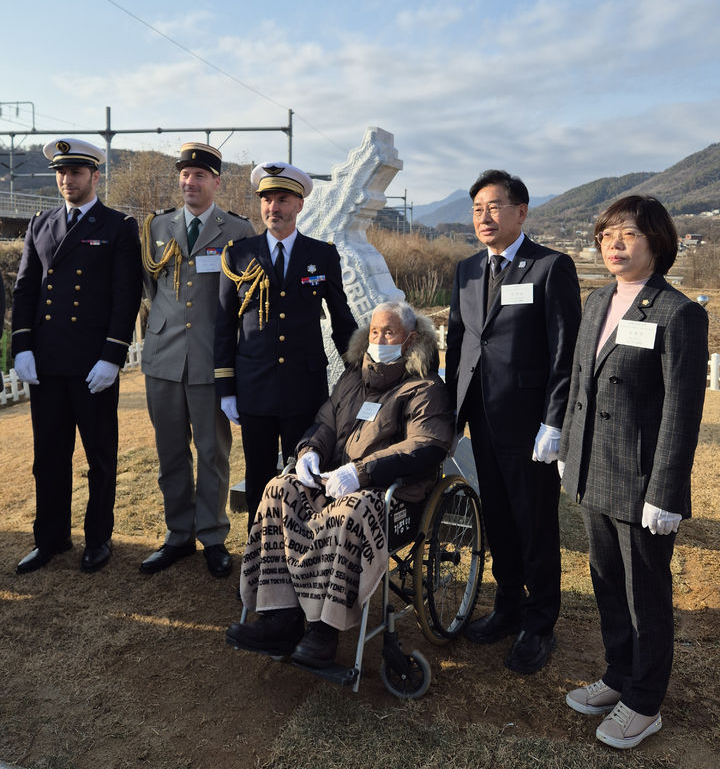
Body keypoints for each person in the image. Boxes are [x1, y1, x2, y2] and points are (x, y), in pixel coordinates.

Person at [226, 301, 454, 667]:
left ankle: (323, 629)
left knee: (349, 512)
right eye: (375, 332)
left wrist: (361, 472)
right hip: (334, 481)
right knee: (276, 491)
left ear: (410, 340)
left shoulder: (426, 388)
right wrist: (309, 452)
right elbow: (325, 423)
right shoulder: (352, 378)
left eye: (390, 332)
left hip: (390, 495)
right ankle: (280, 616)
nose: (380, 339)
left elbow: (425, 445)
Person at [560, 195, 707, 750]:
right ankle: (619, 675)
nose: (614, 245)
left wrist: (666, 491)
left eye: (627, 235)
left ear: (657, 242)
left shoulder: (678, 313)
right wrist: (566, 451)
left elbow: (682, 410)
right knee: (606, 584)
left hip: (642, 483)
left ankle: (645, 702)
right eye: (606, 235)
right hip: (592, 473)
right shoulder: (597, 301)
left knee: (646, 593)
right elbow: (580, 381)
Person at [445, 169, 581, 674]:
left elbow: (565, 352)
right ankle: (507, 605)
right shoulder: (467, 271)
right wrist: (449, 412)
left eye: (495, 206)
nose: (484, 216)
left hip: (530, 425)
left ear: (521, 212)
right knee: (497, 515)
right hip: (481, 417)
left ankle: (540, 619)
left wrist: (555, 421)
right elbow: (459, 346)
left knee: (535, 520)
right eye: (477, 208)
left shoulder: (549, 267)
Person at [11, 137, 143, 574]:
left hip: (92, 366)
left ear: (95, 175)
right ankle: (50, 538)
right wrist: (22, 345)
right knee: (48, 456)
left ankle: (98, 538)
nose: (67, 180)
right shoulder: (40, 223)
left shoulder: (118, 225)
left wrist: (112, 355)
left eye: (77, 172)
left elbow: (127, 295)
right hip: (47, 363)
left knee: (100, 457)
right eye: (61, 173)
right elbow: (26, 288)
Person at [214, 160, 357, 527]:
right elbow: (225, 325)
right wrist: (226, 387)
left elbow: (342, 321)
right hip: (254, 387)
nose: (272, 208)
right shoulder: (238, 254)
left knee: (304, 477)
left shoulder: (322, 255)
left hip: (303, 387)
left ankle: (301, 561)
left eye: (282, 199)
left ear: (299, 205)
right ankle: (258, 565)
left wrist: (359, 372)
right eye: (266, 199)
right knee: (259, 478)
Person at [139, 142, 255, 578]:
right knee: (170, 452)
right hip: (163, 358)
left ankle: (213, 536)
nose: (190, 182)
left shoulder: (237, 231)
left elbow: (242, 301)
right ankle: (177, 535)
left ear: (216, 182)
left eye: (200, 175)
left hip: (211, 361)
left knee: (212, 453)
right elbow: (152, 291)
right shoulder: (156, 227)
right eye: (185, 175)